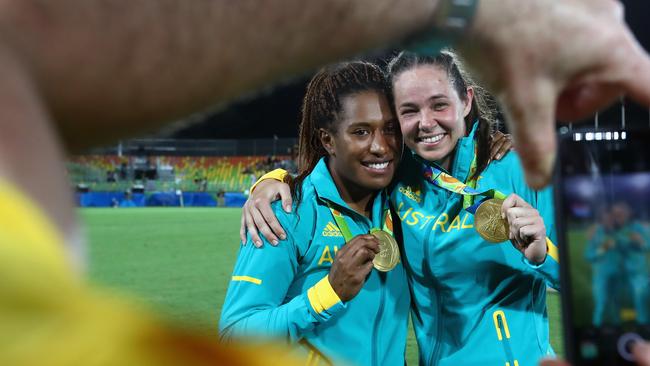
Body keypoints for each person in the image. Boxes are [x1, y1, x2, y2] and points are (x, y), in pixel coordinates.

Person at [243, 50, 558, 365]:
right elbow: (340, 166)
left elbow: (586, 280)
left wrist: (542, 255)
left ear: (466, 101)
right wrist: (272, 181)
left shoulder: (520, 170)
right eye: (409, 111)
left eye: (439, 105)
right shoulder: (397, 175)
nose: (425, 123)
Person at [220, 61, 410, 365]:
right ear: (328, 140)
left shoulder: (404, 205)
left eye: (390, 129)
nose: (381, 146)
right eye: (361, 132)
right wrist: (328, 294)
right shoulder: (286, 212)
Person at [585, 206, 622, 326]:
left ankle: (618, 328)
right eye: (607, 219)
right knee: (601, 303)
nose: (609, 221)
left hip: (616, 275)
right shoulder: (595, 234)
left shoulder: (617, 234)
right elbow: (589, 255)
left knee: (616, 304)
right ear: (602, 220)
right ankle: (596, 329)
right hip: (601, 276)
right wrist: (601, 249)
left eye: (611, 219)